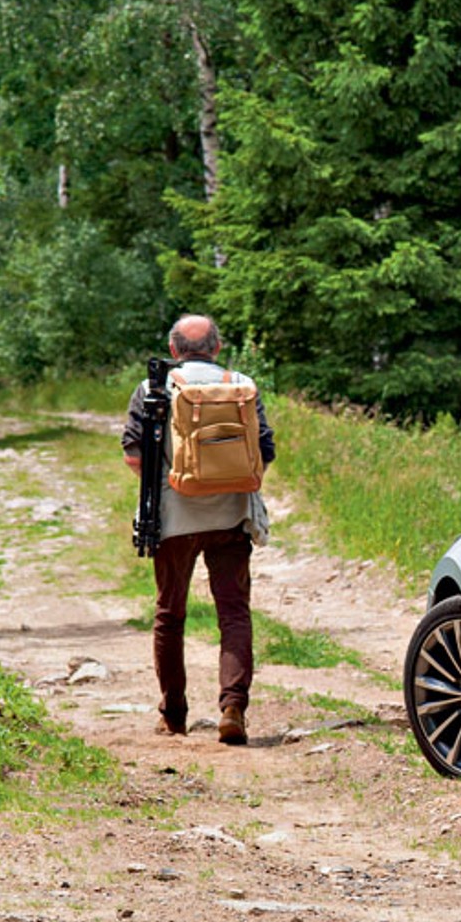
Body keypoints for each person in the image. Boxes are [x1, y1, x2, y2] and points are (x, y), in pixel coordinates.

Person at [122, 315, 276, 744]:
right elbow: (265, 450)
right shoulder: (241, 386)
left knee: (170, 616)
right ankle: (232, 708)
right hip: (231, 515)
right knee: (233, 613)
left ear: (174, 351)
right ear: (217, 346)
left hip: (173, 519)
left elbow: (134, 455)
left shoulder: (153, 389)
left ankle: (173, 714)